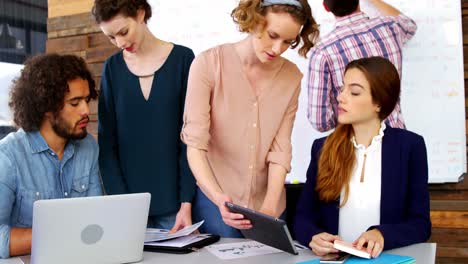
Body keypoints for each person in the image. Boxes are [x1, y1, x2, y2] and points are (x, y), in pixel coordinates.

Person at [181, 0, 319, 237]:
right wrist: (217, 197)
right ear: (254, 19)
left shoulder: (291, 77)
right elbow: (195, 145)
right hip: (218, 201)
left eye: (288, 41)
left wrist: (269, 206)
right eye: (273, 35)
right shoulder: (208, 64)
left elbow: (280, 149)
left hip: (269, 199)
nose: (277, 48)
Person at [294, 57, 431, 258]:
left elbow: (421, 225)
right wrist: (313, 236)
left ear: (379, 103)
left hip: (384, 260)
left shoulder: (410, 146)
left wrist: (382, 234)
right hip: (333, 261)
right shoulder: (322, 147)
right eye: (342, 89)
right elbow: (303, 218)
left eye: (354, 92)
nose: (341, 97)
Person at [92, 0, 196, 232]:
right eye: (111, 37)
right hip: (129, 209)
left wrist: (186, 202)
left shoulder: (183, 59)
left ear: (140, 14)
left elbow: (191, 139)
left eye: (123, 32)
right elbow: (107, 144)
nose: (119, 43)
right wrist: (122, 203)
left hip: (176, 208)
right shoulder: (112, 68)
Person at [0, 54, 103, 259]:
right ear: (47, 107)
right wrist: (59, 234)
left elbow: (96, 218)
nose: (86, 111)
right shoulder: (8, 156)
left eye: (86, 99)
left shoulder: (88, 147)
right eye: (75, 103)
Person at [308, 0, 417, 132]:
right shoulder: (390, 27)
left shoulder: (322, 52)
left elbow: (320, 122)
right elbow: (410, 25)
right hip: (398, 138)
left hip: (353, 144)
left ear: (326, 7)